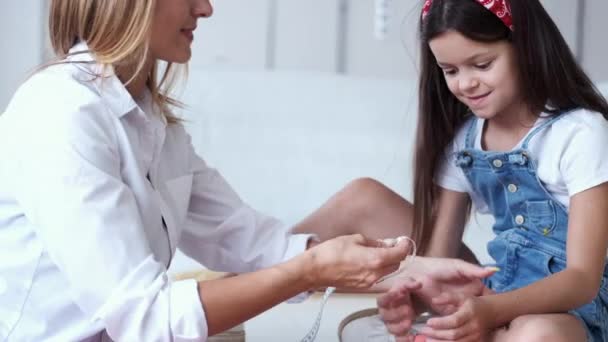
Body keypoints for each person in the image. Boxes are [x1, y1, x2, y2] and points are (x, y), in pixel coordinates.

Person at [0, 1, 426, 341]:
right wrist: (310, 270)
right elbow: (146, 320)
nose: (206, 8)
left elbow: (250, 240)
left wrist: (410, 268)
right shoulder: (61, 113)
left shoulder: (153, 125)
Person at [376, 0, 608, 341]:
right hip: (498, 293)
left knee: (537, 334)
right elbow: (437, 258)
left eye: (481, 64)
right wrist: (412, 294)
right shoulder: (464, 143)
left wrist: (492, 312)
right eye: (450, 71)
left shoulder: (580, 132)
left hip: (574, 308)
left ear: (524, 47)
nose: (465, 84)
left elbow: (582, 278)